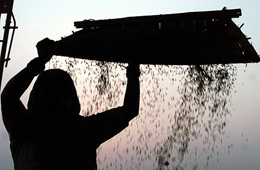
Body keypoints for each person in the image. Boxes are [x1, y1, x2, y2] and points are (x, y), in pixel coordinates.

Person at [1, 38, 140, 170]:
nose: (60, 101)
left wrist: (39, 62)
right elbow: (129, 110)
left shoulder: (25, 131)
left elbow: (8, 97)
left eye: (63, 95)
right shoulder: (83, 130)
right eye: (54, 95)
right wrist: (133, 69)